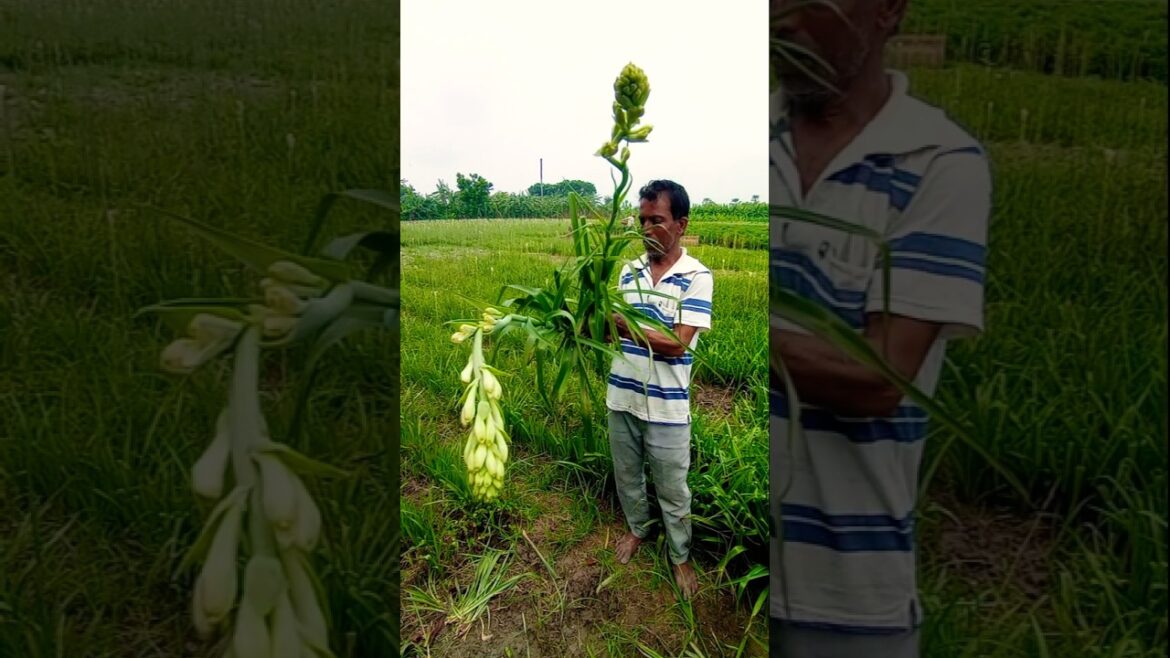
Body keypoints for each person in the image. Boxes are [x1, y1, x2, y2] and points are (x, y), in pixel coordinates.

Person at [768, 1, 991, 656]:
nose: (779, 16)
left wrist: (728, 326)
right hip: (733, 554)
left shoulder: (940, 161)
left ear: (886, 10)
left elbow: (877, 378)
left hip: (843, 595)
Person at [605, 179, 713, 600]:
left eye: (657, 220)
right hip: (622, 396)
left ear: (681, 224)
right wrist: (575, 319)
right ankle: (637, 530)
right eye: (641, 219)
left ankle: (680, 555)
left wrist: (620, 322)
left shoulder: (696, 276)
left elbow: (678, 343)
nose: (646, 228)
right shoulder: (627, 271)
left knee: (673, 487)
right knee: (628, 476)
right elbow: (609, 333)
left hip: (668, 408)